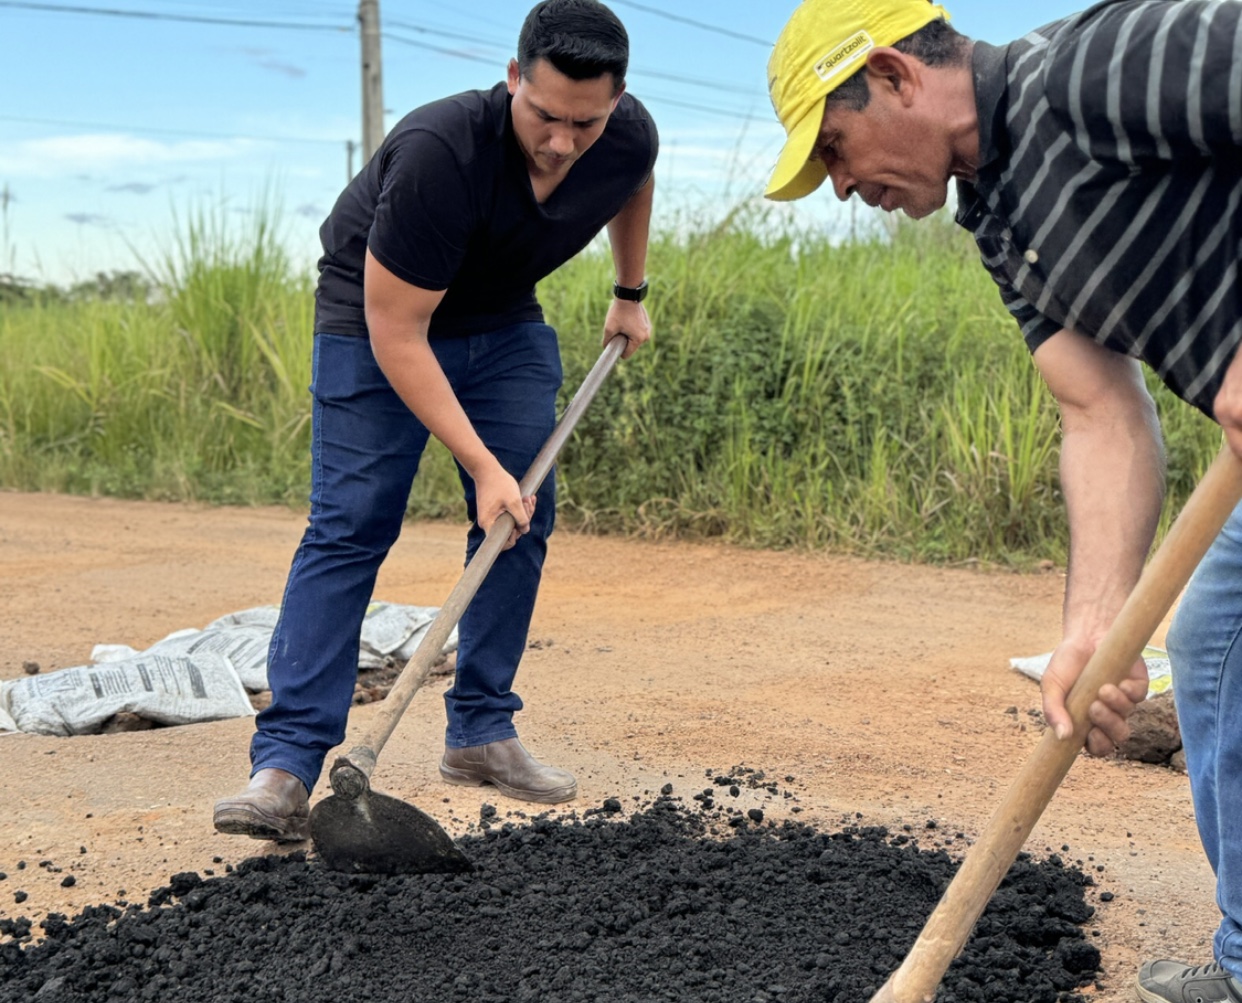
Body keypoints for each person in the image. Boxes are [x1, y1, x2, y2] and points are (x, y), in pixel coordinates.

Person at [764, 1, 1242, 1001]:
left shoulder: (1093, 72)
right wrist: (1095, 627)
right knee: (1215, 640)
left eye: (838, 150)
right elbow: (1099, 411)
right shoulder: (999, 214)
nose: (845, 187)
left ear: (895, 75)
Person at [213, 0, 657, 842]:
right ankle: (286, 765)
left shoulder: (626, 133)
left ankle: (481, 733)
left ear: (617, 101)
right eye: (545, 116)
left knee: (521, 519)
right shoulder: (439, 152)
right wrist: (483, 465)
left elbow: (632, 177)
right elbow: (398, 331)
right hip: (375, 317)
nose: (562, 141)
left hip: (501, 319)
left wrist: (628, 292)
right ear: (513, 77)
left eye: (585, 122)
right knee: (350, 524)